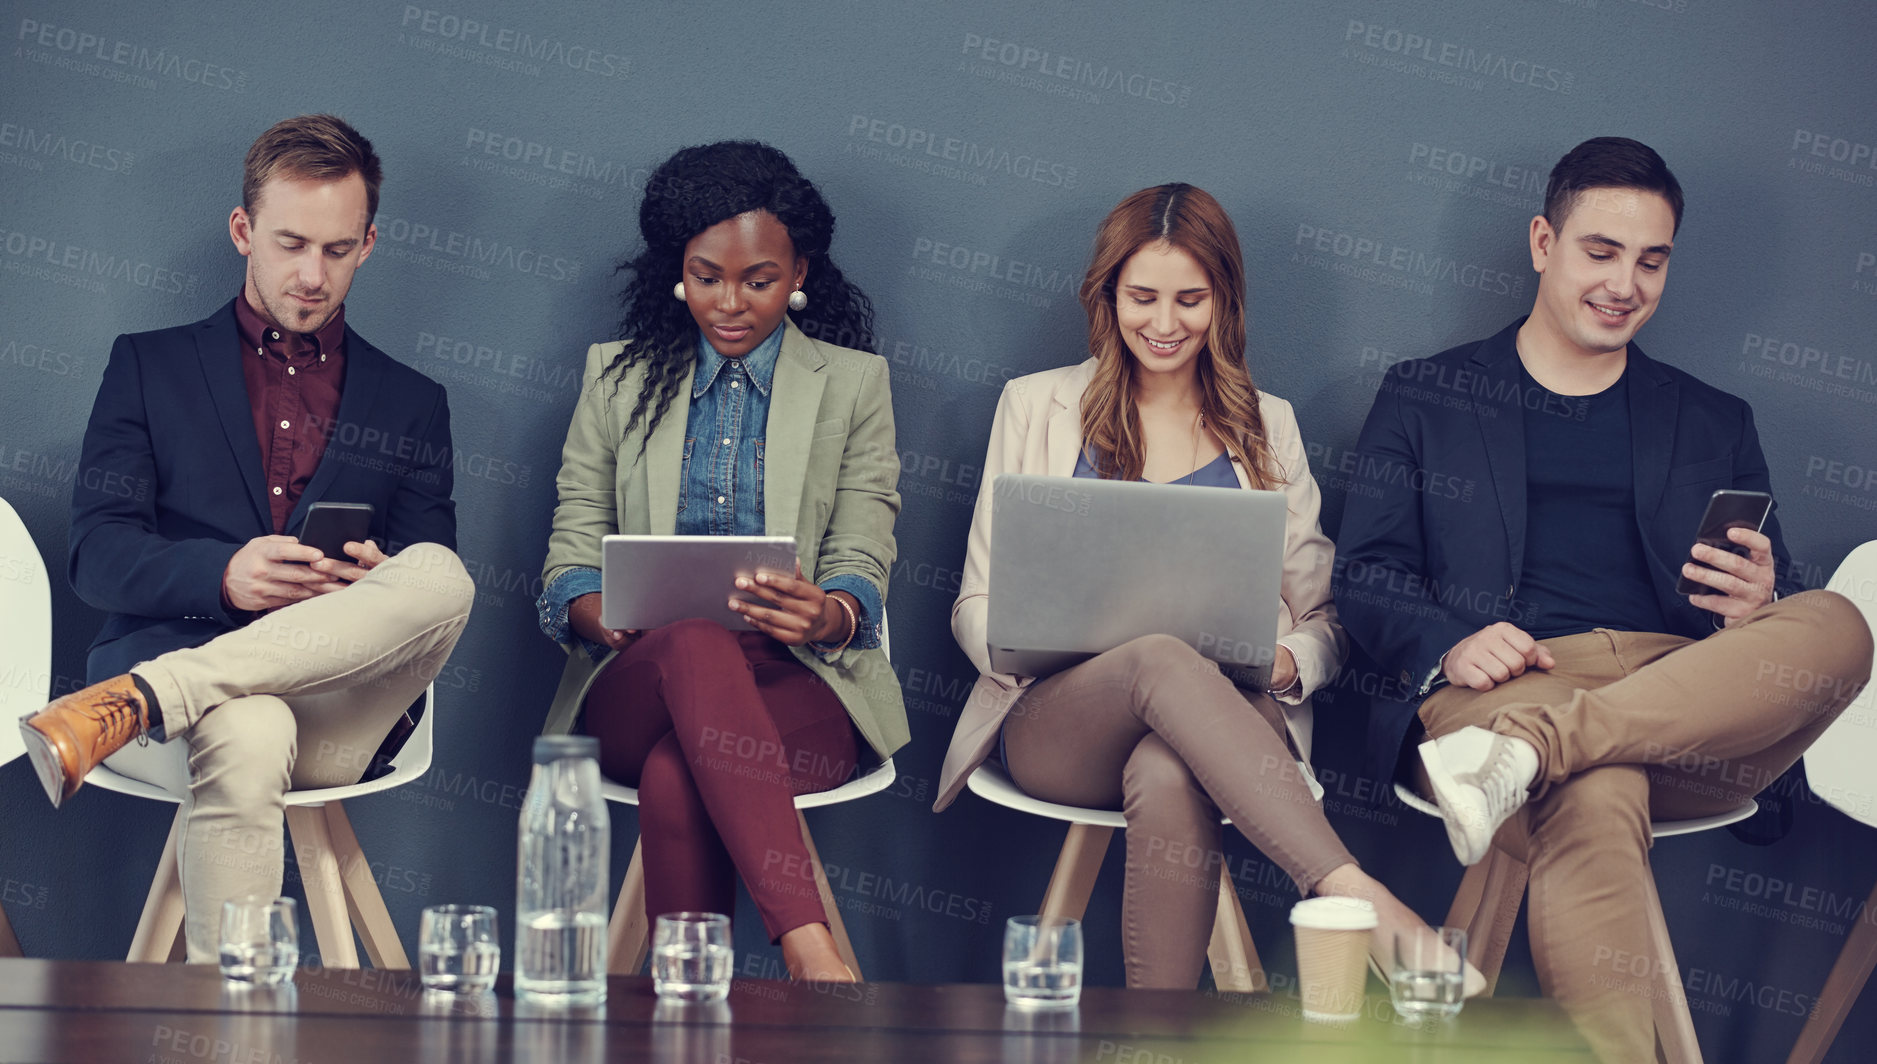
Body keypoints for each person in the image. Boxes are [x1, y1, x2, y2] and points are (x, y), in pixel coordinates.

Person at [1333, 137, 1873, 1060]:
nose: (1626, 282)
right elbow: (1365, 576)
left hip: (1679, 694)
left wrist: (1752, 606)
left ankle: (1534, 754)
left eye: (1650, 259)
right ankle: (1545, 748)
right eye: (1601, 250)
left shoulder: (1713, 418)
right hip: (1507, 684)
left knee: (1837, 621)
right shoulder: (1427, 395)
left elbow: (1763, 603)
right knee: (1597, 787)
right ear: (1543, 242)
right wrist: (1449, 643)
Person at [934, 184, 1481, 992]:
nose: (1164, 324)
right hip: (1060, 721)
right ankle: (1350, 891)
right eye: (1141, 298)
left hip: (1232, 715)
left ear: (1223, 300)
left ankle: (1157, 1031)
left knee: (1166, 767)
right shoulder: (1035, 406)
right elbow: (973, 603)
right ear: (1106, 295)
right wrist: (1023, 633)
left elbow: (1324, 616)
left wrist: (1287, 664)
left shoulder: (1268, 425)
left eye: (1190, 299)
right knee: (1156, 654)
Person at [18, 114, 473, 962]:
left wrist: (376, 578)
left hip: (340, 706)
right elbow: (96, 554)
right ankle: (233, 1036)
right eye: (290, 243)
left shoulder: (414, 401)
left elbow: (423, 589)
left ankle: (147, 696)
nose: (311, 274)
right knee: (250, 728)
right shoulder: (148, 366)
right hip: (200, 715)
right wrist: (225, 576)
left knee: (441, 573)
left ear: (369, 243)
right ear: (243, 231)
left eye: (337, 250)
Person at [536, 141, 906, 983]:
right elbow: (568, 550)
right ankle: (813, 956)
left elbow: (861, 548)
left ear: (799, 270)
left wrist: (833, 611)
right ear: (679, 270)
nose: (729, 304)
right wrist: (597, 610)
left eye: (759, 280)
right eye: (707, 277)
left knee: (680, 773)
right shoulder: (617, 378)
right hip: (639, 675)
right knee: (696, 644)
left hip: (797, 685)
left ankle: (687, 1009)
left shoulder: (851, 385)